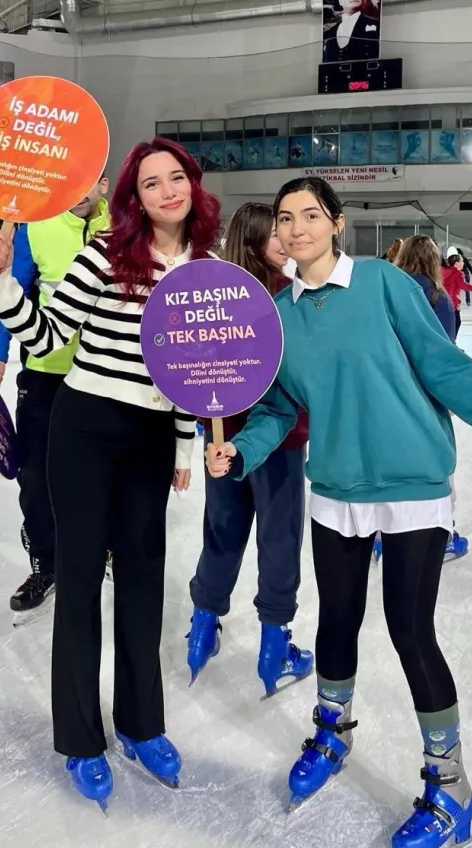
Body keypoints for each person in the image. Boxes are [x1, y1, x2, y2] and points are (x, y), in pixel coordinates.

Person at [205, 176, 472, 848]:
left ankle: (450, 786)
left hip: (412, 489)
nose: (296, 229)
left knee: (411, 632)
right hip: (338, 493)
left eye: (310, 215)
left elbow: (443, 366)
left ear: (337, 223)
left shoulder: (381, 283)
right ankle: (332, 732)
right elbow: (280, 410)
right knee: (337, 624)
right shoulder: (280, 317)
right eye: (285, 219)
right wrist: (242, 454)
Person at [0, 138, 220, 810]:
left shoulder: (207, 266)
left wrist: (181, 445)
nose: (168, 190)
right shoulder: (106, 252)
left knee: (143, 581)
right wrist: (0, 282)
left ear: (192, 187)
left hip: (148, 438)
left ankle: (142, 725)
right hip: (84, 429)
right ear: (132, 198)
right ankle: (82, 737)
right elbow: (51, 337)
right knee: (81, 581)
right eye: (151, 183)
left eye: (177, 178)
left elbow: (194, 375)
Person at [186, 202, 313, 696]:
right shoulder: (287, 297)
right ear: (256, 239)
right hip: (274, 444)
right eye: (276, 232)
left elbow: (192, 372)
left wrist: (208, 430)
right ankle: (273, 648)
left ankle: (202, 631)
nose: (286, 239)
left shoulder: (216, 301)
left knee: (223, 531)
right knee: (278, 539)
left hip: (225, 443)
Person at [0, 176, 110, 617]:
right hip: (44, 375)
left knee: (101, 477)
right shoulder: (38, 227)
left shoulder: (126, 227)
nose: (78, 189)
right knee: (35, 477)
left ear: (104, 185)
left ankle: (102, 549)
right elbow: (7, 288)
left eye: (88, 180)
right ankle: (46, 564)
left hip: (103, 378)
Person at [395, 236, 468, 560]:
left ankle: (385, 532)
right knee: (438, 463)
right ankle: (443, 533)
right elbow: (444, 354)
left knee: (392, 462)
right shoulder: (438, 299)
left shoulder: (387, 295)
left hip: (390, 391)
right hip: (427, 394)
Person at [442, 252, 472, 339]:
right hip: (453, 302)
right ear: (456, 262)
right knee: (456, 323)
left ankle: (448, 340)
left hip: (444, 301)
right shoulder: (458, 273)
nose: (463, 263)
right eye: (462, 261)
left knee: (447, 324)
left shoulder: (444, 270)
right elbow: (463, 285)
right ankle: (452, 342)